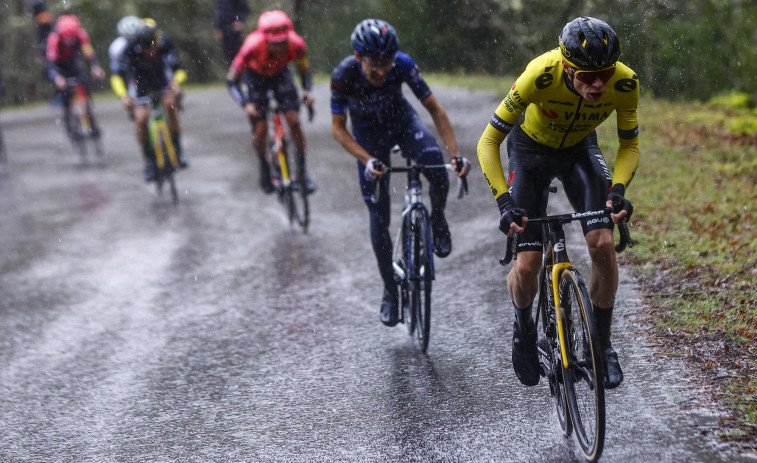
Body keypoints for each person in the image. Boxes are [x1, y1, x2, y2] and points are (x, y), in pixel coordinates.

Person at [477, 16, 638, 388]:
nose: (599, 84)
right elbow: (488, 142)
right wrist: (504, 202)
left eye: (605, 73)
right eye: (587, 75)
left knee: (601, 243)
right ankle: (524, 328)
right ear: (567, 67)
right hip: (529, 152)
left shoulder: (625, 82)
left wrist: (618, 188)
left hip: (580, 152)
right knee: (528, 265)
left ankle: (602, 345)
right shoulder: (540, 74)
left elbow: (629, 144)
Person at [331, 19, 470, 327]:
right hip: (369, 141)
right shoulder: (344, 75)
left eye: (387, 63)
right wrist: (367, 159)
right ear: (358, 57)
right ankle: (390, 291)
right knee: (378, 217)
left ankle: (437, 219)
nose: (382, 71)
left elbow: (436, 110)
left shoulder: (403, 64)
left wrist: (455, 154)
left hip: (402, 124)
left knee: (433, 162)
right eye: (374, 65)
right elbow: (338, 130)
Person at [226, 9, 316, 194]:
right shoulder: (251, 46)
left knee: (294, 121)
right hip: (256, 79)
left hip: (281, 75)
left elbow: (304, 70)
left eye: (284, 42)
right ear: (266, 40)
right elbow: (231, 80)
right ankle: (264, 169)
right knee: (260, 130)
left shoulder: (297, 44)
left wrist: (307, 91)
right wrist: (246, 104)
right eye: (276, 43)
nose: (281, 47)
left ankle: (302, 173)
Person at [112, 22, 188, 181]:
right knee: (141, 119)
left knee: (170, 105)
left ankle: (178, 150)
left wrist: (176, 83)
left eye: (153, 48)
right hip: (141, 84)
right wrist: (124, 96)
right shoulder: (131, 49)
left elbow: (179, 70)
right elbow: (117, 76)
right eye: (147, 49)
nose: (151, 52)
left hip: (161, 80)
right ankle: (149, 161)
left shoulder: (165, 43)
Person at [46, 14, 106, 140]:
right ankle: (69, 126)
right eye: (66, 38)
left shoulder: (81, 34)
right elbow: (51, 64)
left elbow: (89, 53)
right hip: (59, 66)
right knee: (65, 97)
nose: (69, 41)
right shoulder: (54, 37)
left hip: (73, 64)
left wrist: (95, 67)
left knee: (85, 91)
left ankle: (92, 122)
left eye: (71, 38)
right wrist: (57, 77)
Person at [213, 0, 251, 65]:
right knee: (228, 56)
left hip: (234, 30)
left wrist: (239, 20)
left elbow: (245, 9)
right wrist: (217, 27)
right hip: (224, 31)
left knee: (238, 55)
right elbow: (218, 11)